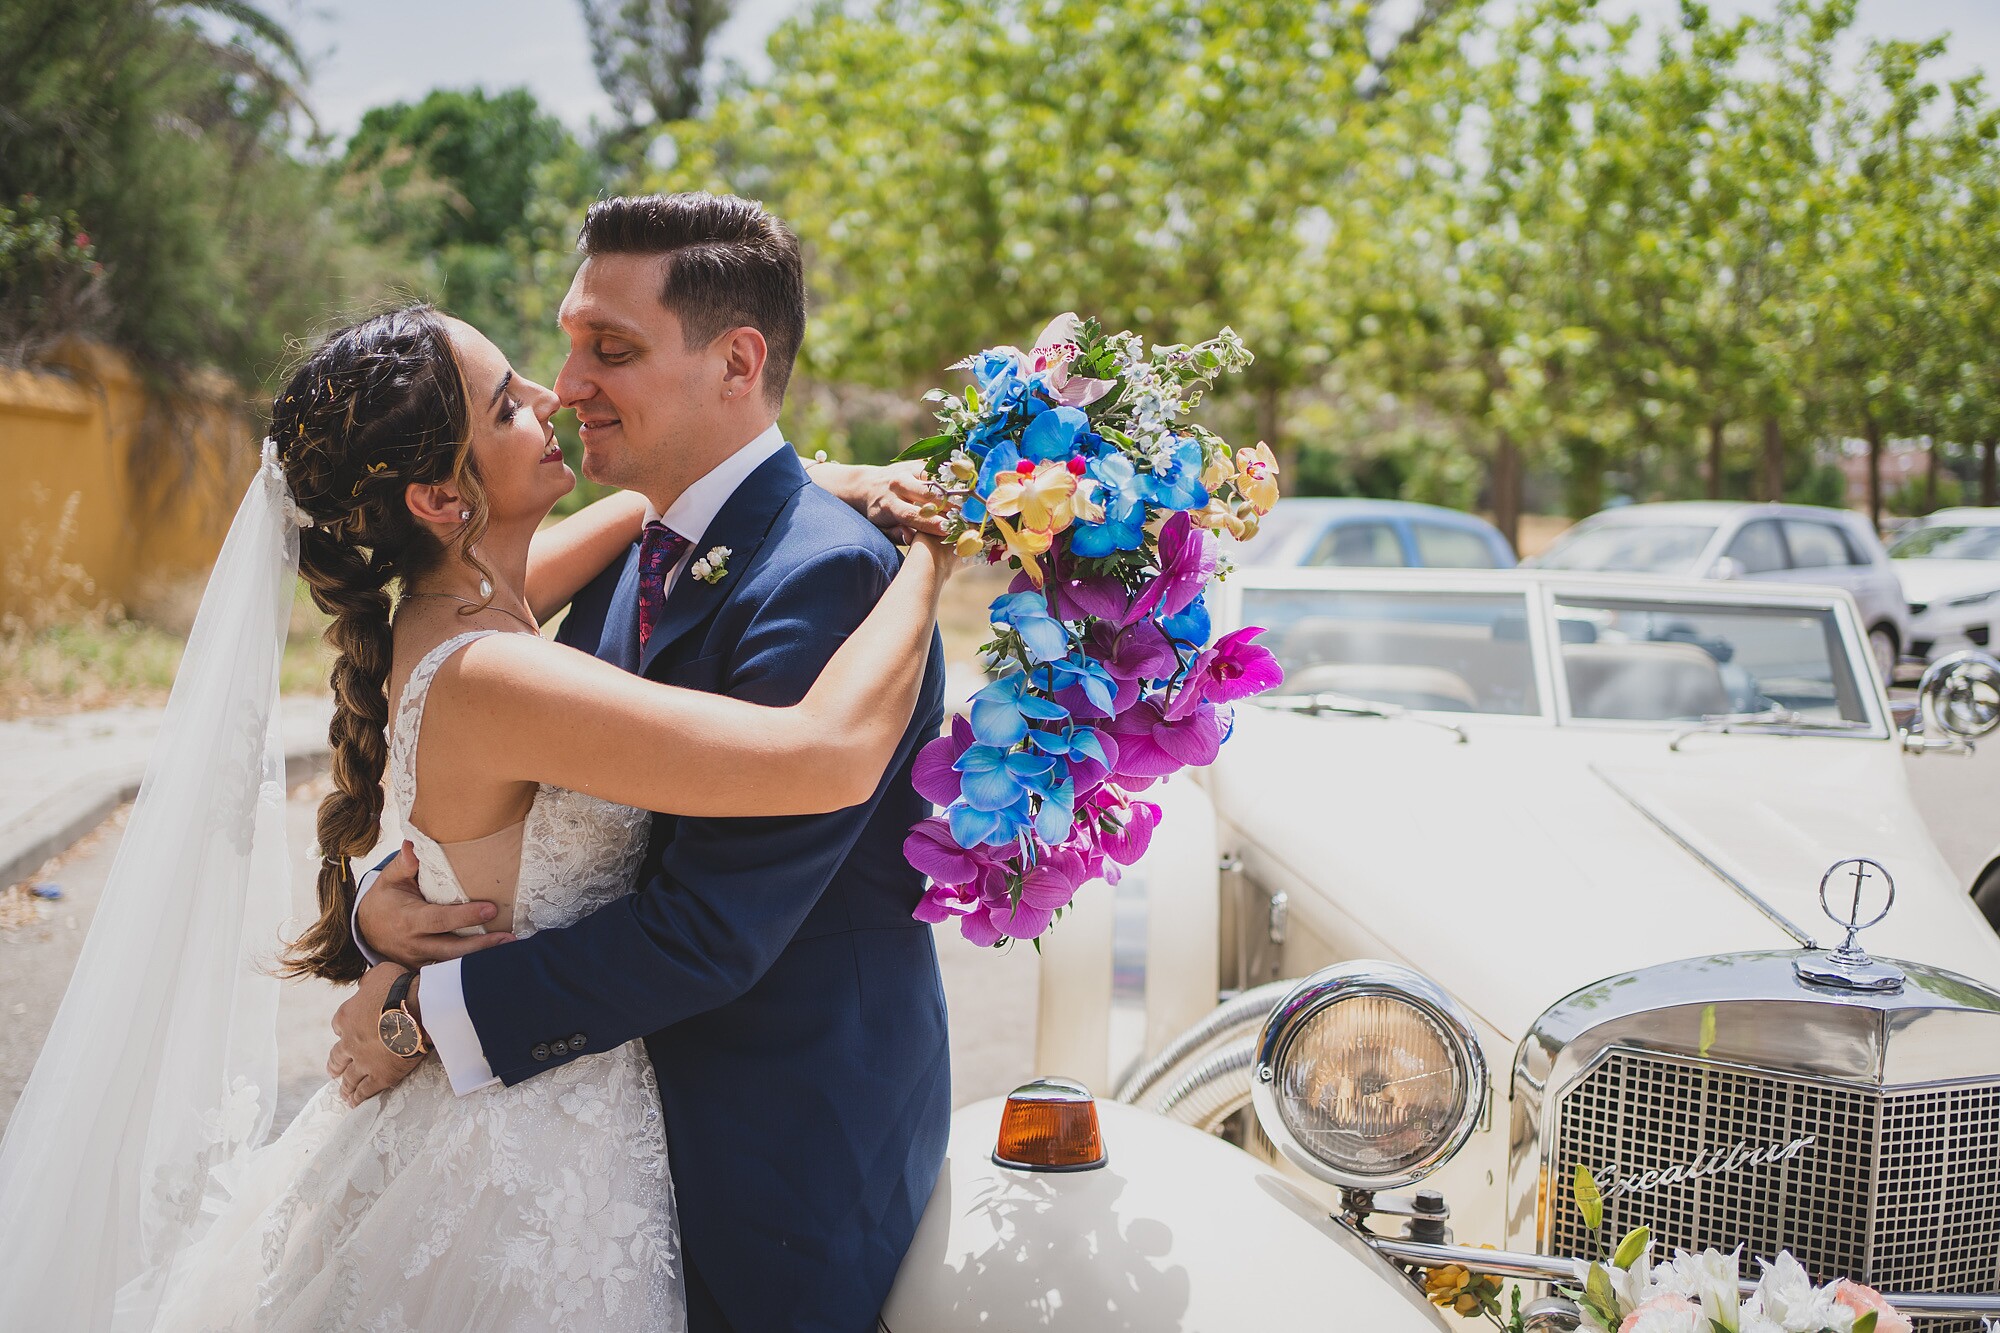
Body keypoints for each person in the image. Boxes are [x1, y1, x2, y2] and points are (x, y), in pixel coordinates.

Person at [0, 279, 951, 1324]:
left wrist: (823, 478)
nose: (549, 396)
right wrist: (927, 555)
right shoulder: (498, 672)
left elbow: (659, 504)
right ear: (440, 501)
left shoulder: (466, 598)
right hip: (532, 1144)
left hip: (532, 1098)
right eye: (505, 404)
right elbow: (817, 754)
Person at [327, 193, 956, 1332]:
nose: (565, 387)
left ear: (736, 361)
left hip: (776, 1156)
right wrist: (390, 899)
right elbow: (510, 790)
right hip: (590, 1154)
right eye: (559, 350)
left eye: (607, 351)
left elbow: (710, 926)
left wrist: (421, 1011)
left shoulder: (826, 578)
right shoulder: (632, 539)